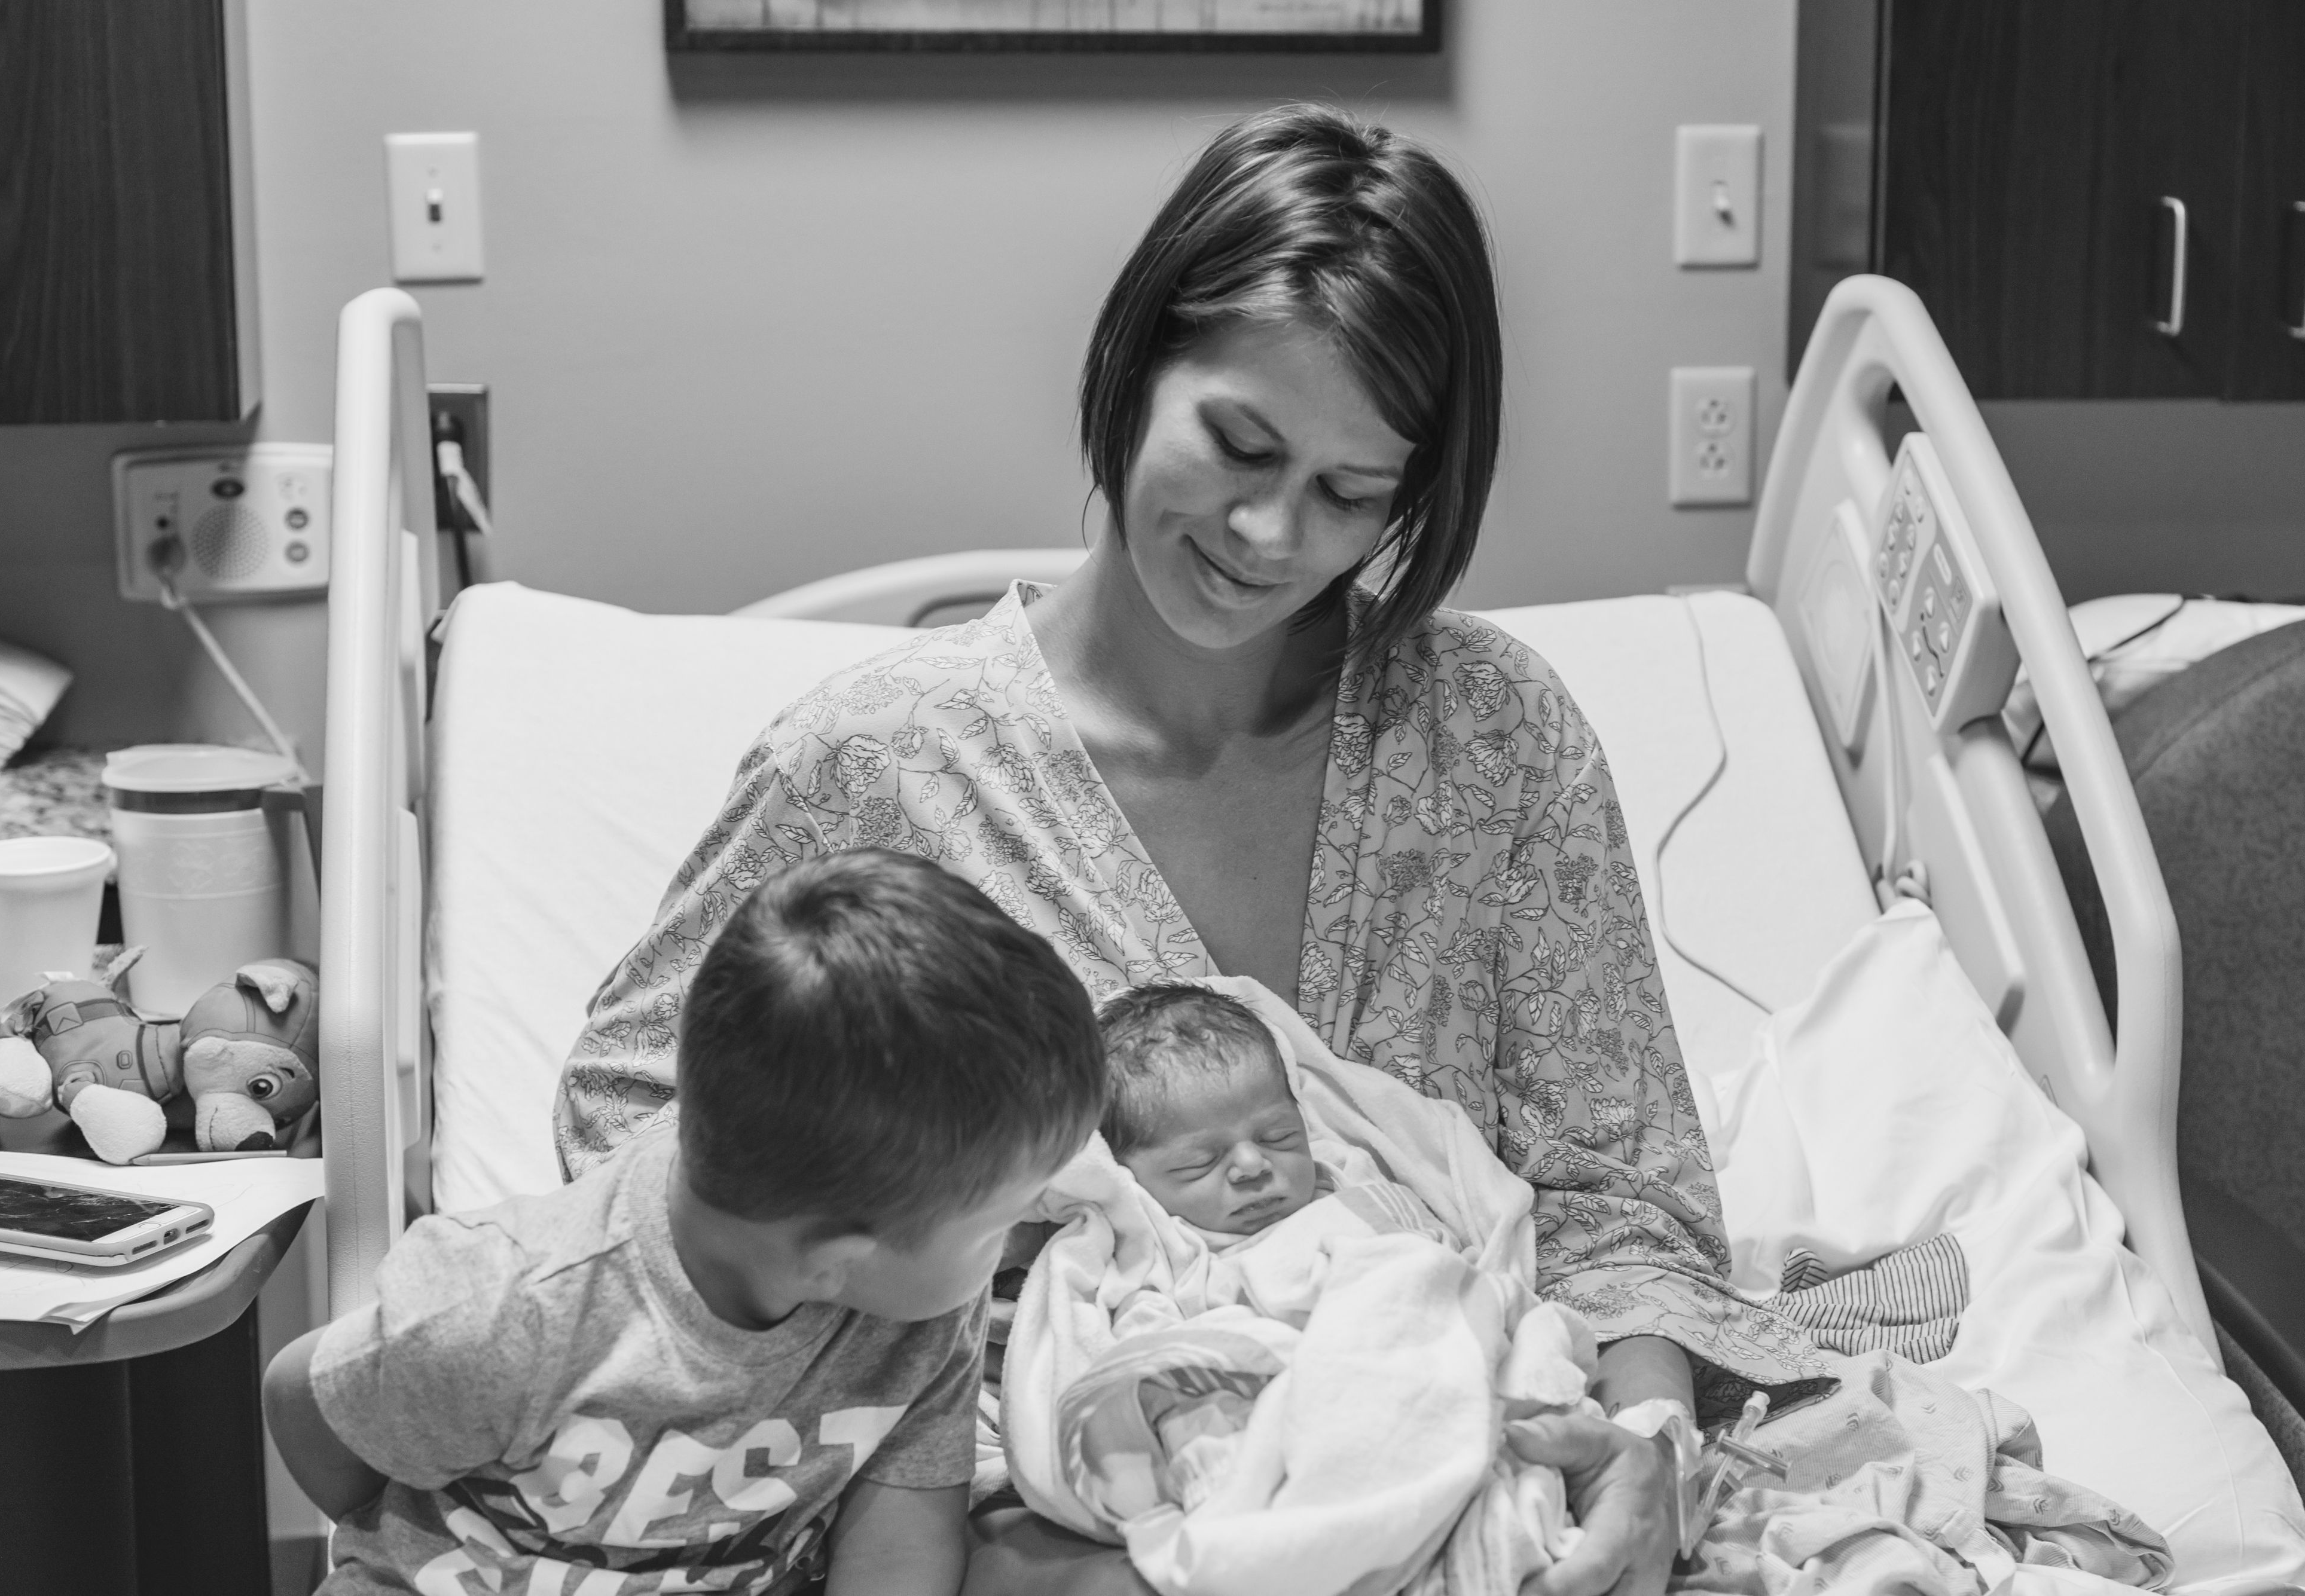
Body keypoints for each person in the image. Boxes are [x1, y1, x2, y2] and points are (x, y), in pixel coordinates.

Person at [556, 103, 1831, 1595]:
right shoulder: (884, 767)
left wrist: (1644, 1451)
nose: (1270, 535)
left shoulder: (1493, 744)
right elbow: (639, 1120)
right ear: (1134, 359)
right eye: (1239, 444)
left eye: (1352, 495)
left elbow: (1618, 1190)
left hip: (1467, 1478)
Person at [264, 851, 1104, 1595]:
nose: (1017, 1240)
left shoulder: (916, 1312)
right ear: (834, 1261)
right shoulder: (513, 1304)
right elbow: (309, 1401)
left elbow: (900, 1548)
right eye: (999, 1224)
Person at [1097, 983, 1320, 1237]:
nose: (1253, 1165)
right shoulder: (1144, 1253)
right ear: (1123, 1175)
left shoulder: (1347, 1178)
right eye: (1199, 1163)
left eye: (1280, 1137)